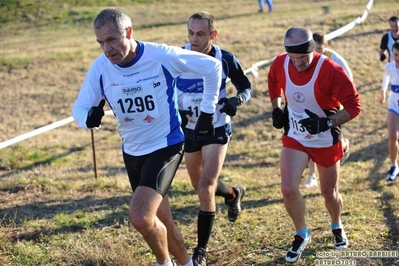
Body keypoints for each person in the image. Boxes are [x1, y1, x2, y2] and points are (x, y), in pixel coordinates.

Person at [72, 7, 223, 266]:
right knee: (160, 222)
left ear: (128, 32)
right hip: (132, 152)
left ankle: (163, 263)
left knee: (141, 217)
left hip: (166, 145)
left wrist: (208, 111)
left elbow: (212, 67)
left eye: (111, 40)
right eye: (100, 43)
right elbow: (79, 107)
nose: (106, 49)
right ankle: (185, 263)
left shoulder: (160, 55)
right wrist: (87, 118)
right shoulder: (101, 67)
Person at [268, 26, 361, 263]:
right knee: (288, 188)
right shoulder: (281, 62)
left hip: (325, 139)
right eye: (293, 58)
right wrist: (276, 108)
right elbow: (273, 80)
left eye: (303, 58)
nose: (297, 64)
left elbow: (354, 106)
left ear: (312, 50)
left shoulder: (330, 70)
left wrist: (326, 123)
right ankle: (302, 233)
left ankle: (336, 225)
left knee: (329, 194)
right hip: (295, 137)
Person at [177, 11, 251, 266]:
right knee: (200, 186)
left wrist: (236, 100)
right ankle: (232, 194)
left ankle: (200, 250)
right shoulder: (178, 56)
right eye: (190, 33)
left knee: (206, 187)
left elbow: (246, 86)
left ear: (213, 34)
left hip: (217, 128)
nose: (194, 39)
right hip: (189, 131)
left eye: (200, 34)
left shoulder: (225, 58)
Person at [304, 32, 352, 188]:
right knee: (311, 134)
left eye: (319, 48)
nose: (316, 52)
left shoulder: (335, 59)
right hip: (312, 103)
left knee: (331, 136)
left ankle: (343, 144)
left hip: (334, 105)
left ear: (326, 46)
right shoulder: (308, 59)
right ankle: (312, 175)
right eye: (314, 48)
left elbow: (349, 80)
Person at [379, 41, 399, 181]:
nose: (397, 58)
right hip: (394, 105)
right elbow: (386, 79)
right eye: (395, 55)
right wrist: (383, 93)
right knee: (392, 135)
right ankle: (394, 165)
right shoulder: (390, 67)